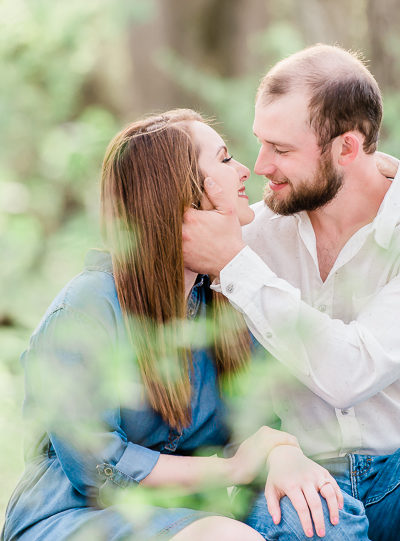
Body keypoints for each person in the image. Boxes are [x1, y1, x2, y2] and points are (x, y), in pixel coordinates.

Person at [1, 109, 349, 541]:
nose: (244, 170)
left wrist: (281, 452)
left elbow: (262, 421)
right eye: (224, 160)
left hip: (192, 511)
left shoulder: (226, 299)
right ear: (182, 194)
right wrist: (231, 467)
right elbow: (95, 468)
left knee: (326, 515)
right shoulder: (88, 307)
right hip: (75, 516)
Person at [182, 45, 400, 541]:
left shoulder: (238, 258)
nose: (260, 166)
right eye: (260, 142)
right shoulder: (253, 231)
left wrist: (236, 267)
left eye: (281, 150)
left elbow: (353, 370)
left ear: (347, 148)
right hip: (293, 470)